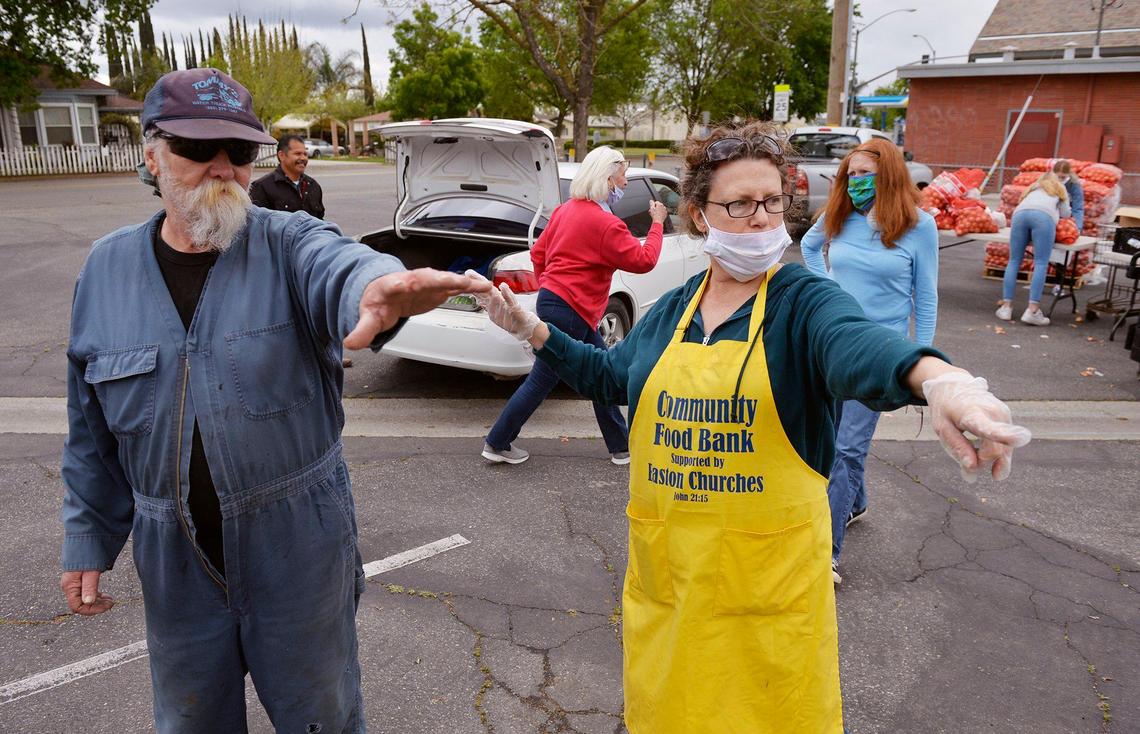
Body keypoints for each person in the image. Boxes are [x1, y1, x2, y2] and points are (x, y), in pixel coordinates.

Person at [470, 121, 1030, 733]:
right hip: (672, 603)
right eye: (740, 204)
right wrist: (533, 331)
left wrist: (935, 378)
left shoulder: (802, 303)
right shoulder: (672, 311)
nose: (763, 220)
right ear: (699, 215)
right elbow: (609, 378)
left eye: (772, 202)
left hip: (767, 615)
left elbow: (855, 343)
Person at [58, 68, 487, 733]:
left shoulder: (287, 244)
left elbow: (341, 263)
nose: (223, 167)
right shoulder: (105, 272)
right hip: (175, 562)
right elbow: (90, 432)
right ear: (152, 154)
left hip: (298, 547)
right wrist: (88, 535)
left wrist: (377, 287)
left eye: (239, 149)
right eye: (199, 150)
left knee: (322, 717)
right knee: (190, 721)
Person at [801, 138, 939, 583]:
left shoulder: (919, 226)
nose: (857, 182)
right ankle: (854, 502)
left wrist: (923, 364)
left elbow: (927, 297)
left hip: (880, 352)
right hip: (834, 344)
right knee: (829, 438)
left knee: (846, 448)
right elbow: (807, 248)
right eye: (850, 174)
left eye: (866, 174)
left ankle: (827, 554)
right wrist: (829, 294)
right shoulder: (839, 217)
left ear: (891, 174)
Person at [481, 145, 668, 465]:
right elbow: (644, 259)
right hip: (573, 309)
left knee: (599, 373)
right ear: (607, 179)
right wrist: (657, 223)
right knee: (553, 378)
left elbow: (538, 255)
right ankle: (497, 442)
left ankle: (620, 446)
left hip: (556, 303)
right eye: (622, 177)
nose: (624, 184)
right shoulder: (606, 224)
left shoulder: (564, 211)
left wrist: (552, 286)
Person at [996, 172, 1071, 326]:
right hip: (1044, 218)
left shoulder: (1031, 189)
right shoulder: (1059, 188)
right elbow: (1066, 213)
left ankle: (1006, 307)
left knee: (1014, 260)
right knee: (1041, 263)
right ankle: (1032, 310)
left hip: (1019, 216)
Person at [249, 134, 325, 219]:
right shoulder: (262, 187)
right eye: (298, 154)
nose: (303, 158)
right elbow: (256, 225)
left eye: (305, 154)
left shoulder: (313, 186)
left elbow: (320, 220)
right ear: (281, 155)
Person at [1053, 159, 1084, 231]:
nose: (1060, 179)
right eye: (1058, 177)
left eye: (1063, 177)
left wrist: (1077, 227)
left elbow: (1078, 208)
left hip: (1066, 215)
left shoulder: (1074, 185)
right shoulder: (1049, 182)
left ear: (1069, 174)